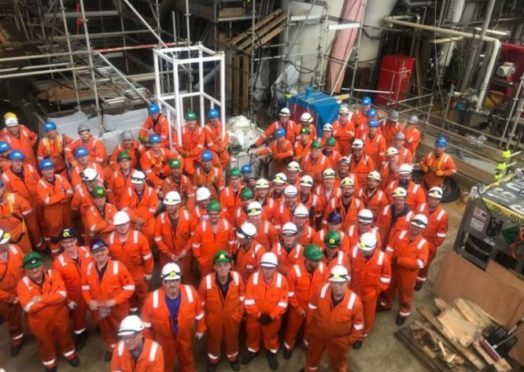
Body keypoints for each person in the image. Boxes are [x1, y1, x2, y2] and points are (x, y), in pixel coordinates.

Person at [17, 252, 80, 371]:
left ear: (43, 266)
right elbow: (28, 307)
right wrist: (52, 297)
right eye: (30, 268)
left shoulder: (53, 274)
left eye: (37, 266)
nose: (35, 270)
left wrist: (40, 299)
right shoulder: (22, 284)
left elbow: (62, 295)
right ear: (25, 270)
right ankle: (50, 364)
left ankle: (70, 355)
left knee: (65, 335)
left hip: (60, 316)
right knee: (45, 342)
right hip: (39, 322)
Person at [141, 263, 205, 372]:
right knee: (165, 363)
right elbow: (145, 325)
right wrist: (149, 343)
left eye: (175, 280)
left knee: (187, 360)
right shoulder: (151, 300)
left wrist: (200, 328)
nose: (172, 285)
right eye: (168, 281)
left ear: (180, 280)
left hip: (185, 337)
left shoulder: (191, 292)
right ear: (163, 282)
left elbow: (199, 312)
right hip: (163, 340)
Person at [82, 239, 135, 361]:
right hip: (99, 310)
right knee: (106, 331)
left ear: (107, 250)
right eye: (95, 252)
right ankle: (112, 349)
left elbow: (130, 287)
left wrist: (115, 301)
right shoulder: (88, 268)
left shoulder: (118, 267)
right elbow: (84, 288)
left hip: (118, 309)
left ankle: (127, 351)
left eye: (101, 250)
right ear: (91, 254)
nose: (99, 254)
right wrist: (89, 301)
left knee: (123, 329)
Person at [304, 265, 364, 372]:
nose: (337, 286)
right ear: (330, 282)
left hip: (339, 339)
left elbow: (358, 326)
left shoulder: (355, 301)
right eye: (334, 282)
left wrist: (349, 340)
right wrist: (310, 324)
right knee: (312, 356)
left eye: (341, 283)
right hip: (318, 333)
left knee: (339, 361)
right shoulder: (321, 290)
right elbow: (311, 306)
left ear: (347, 282)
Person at [242, 252, 288, 370]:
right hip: (254, 317)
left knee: (272, 336)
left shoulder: (282, 281)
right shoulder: (253, 279)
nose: (267, 271)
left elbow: (283, 303)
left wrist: (271, 316)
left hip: (273, 318)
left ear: (276, 268)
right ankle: (253, 349)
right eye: (265, 267)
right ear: (261, 266)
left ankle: (271, 352)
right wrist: (258, 315)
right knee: (252, 334)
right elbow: (249, 300)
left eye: (271, 268)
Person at [199, 250, 245, 371]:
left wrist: (239, 314)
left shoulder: (237, 278)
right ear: (214, 267)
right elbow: (200, 305)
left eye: (225, 264)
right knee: (213, 339)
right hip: (214, 319)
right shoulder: (206, 281)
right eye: (219, 265)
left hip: (233, 318)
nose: (222, 268)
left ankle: (233, 358)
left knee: (232, 338)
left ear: (230, 265)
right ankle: (213, 360)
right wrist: (204, 322)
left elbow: (242, 297)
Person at [381, 214, 429, 325]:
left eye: (419, 228)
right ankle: (386, 304)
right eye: (414, 226)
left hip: (408, 275)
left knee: (405, 295)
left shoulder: (423, 244)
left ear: (423, 229)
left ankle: (403, 312)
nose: (415, 229)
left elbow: (421, 263)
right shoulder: (401, 234)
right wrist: (388, 259)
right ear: (410, 225)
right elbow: (389, 247)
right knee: (388, 289)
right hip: (393, 269)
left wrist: (399, 261)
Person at [283, 244, 327, 359]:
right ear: (307, 259)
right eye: (315, 260)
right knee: (292, 328)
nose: (318, 263)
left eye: (319, 260)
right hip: (297, 307)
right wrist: (298, 308)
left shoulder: (323, 269)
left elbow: (326, 288)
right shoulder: (295, 271)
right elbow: (290, 293)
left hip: (314, 307)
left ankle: (306, 344)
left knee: (310, 328)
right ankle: (288, 346)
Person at [349, 232, 391, 348]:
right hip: (353, 291)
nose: (363, 252)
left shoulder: (383, 259)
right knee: (350, 312)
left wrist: (376, 291)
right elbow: (347, 269)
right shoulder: (353, 252)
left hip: (370, 294)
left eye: (366, 250)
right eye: (361, 249)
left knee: (367, 316)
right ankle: (350, 330)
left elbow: (386, 278)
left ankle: (361, 336)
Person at [52, 228, 92, 350]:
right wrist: (68, 301)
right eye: (65, 242)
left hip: (92, 291)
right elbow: (58, 285)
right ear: (61, 244)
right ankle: (81, 335)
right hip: (75, 296)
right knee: (78, 319)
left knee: (98, 312)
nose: (69, 244)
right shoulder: (58, 262)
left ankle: (101, 327)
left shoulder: (88, 251)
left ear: (76, 240)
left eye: (71, 240)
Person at [108, 211, 153, 312]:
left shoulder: (139, 237)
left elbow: (147, 257)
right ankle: (133, 309)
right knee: (128, 294)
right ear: (115, 226)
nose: (122, 227)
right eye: (119, 225)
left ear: (129, 223)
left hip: (138, 272)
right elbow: (109, 259)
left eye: (124, 224)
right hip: (122, 275)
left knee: (143, 293)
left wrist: (148, 272)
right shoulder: (110, 239)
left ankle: (146, 311)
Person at [1, 150, 43, 249]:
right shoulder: (5, 177)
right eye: (15, 161)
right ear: (10, 162)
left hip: (38, 201)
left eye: (19, 160)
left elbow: (40, 182)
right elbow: (7, 195)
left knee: (44, 222)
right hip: (24, 206)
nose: (18, 163)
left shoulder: (30, 168)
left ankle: (47, 241)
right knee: (33, 228)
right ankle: (39, 246)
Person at [154, 191, 194, 281]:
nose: (169, 208)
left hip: (184, 255)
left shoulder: (188, 217)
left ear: (178, 204)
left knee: (187, 277)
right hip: (166, 256)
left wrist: (185, 250)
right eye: (168, 205)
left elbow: (193, 236)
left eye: (172, 205)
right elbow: (157, 239)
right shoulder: (160, 219)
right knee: (168, 279)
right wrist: (169, 253)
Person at [36, 159, 73, 254]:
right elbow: (47, 201)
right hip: (52, 214)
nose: (49, 171)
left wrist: (56, 199)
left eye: (51, 168)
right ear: (42, 171)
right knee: (55, 237)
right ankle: (56, 255)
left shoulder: (60, 178)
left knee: (68, 232)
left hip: (65, 210)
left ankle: (70, 252)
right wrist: (62, 195)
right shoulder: (40, 184)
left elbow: (70, 192)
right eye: (46, 169)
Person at [415, 187, 448, 289]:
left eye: (436, 199)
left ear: (439, 200)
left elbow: (441, 234)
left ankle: (419, 281)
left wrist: (433, 245)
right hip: (416, 240)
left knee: (424, 265)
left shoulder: (443, 215)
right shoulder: (420, 208)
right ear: (428, 197)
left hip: (430, 245)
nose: (433, 201)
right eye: (431, 198)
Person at [192, 200, 235, 275]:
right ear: (207, 214)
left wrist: (229, 255)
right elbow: (195, 245)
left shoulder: (226, 225)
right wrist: (200, 260)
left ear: (220, 213)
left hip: (222, 262)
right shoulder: (200, 227)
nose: (213, 216)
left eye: (216, 214)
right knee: (207, 283)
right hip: (206, 264)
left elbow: (231, 242)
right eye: (211, 214)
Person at [0, 229, 25, 356]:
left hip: (23, 289)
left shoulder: (15, 249)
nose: (5, 245)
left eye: (5, 242)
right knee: (13, 321)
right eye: (2, 243)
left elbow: (26, 265)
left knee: (34, 313)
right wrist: (10, 298)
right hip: (6, 298)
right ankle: (17, 340)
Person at [120, 170, 159, 242]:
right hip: (132, 220)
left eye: (139, 184)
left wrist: (142, 220)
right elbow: (124, 208)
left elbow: (152, 209)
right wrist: (136, 220)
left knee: (151, 233)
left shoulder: (151, 192)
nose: (137, 186)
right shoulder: (128, 191)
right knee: (130, 237)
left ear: (144, 182)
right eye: (135, 184)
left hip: (147, 219)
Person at [0, 178, 34, 253]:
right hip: (4, 238)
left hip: (20, 234)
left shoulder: (14, 198)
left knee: (27, 252)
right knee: (13, 256)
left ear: (3, 188)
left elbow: (27, 211)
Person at [175, 111, 205, 176]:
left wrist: (190, 153)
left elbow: (200, 146)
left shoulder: (200, 130)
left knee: (207, 163)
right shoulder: (182, 130)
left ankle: (204, 178)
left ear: (195, 121)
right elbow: (176, 143)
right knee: (188, 168)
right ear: (186, 122)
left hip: (198, 153)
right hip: (186, 154)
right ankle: (195, 180)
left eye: (192, 120)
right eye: (189, 120)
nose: (191, 122)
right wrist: (182, 152)